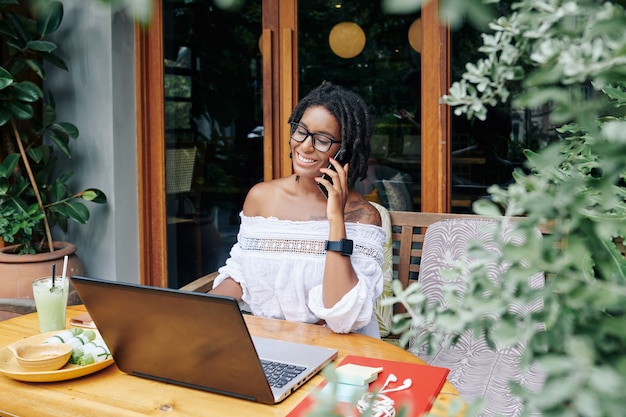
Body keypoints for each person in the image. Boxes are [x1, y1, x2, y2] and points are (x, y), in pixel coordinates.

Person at [210, 81, 386, 338]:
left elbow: (342, 316)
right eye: (301, 131)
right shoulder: (261, 197)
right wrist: (204, 308)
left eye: (323, 140)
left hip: (341, 352)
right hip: (270, 343)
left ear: (344, 150)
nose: (305, 146)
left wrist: (335, 218)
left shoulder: (363, 216)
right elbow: (242, 273)